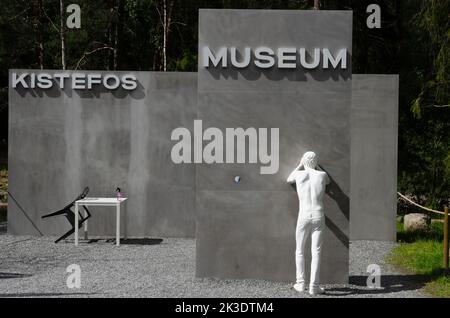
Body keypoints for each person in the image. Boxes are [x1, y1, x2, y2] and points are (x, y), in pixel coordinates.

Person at [286, 151, 330, 295]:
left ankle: (300, 283)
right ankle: (314, 286)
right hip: (318, 214)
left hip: (303, 215)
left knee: (300, 250)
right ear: (315, 162)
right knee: (316, 251)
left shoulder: (299, 175)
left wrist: (300, 165)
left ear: (304, 161)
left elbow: (288, 179)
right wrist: (315, 167)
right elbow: (328, 181)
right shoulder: (322, 175)